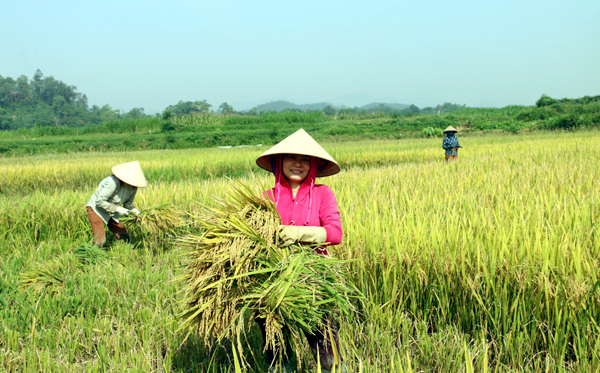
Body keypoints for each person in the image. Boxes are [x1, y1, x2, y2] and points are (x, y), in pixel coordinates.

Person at [256, 128, 346, 373]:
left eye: (305, 160)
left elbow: (335, 234)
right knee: (275, 349)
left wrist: (297, 234)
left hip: (313, 281)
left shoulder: (322, 194)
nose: (298, 164)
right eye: (292, 158)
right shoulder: (266, 198)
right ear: (279, 162)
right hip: (272, 280)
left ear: (314, 165)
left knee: (325, 347)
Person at [86, 161, 148, 247]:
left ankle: (121, 253)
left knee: (124, 237)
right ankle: (91, 257)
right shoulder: (113, 182)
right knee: (100, 241)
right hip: (96, 209)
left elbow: (128, 203)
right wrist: (118, 209)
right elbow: (100, 202)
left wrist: (136, 212)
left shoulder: (133, 187)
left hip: (111, 210)